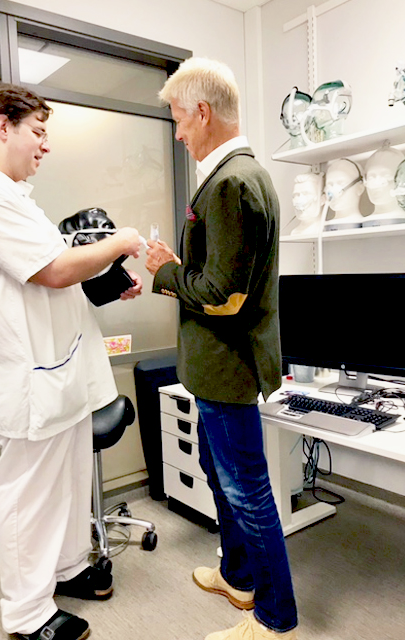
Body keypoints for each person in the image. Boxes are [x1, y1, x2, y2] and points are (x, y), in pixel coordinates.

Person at [0, 82, 142, 640]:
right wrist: (121, 241)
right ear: (1, 127)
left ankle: (67, 568)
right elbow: (52, 270)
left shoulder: (11, 197)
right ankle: (27, 614)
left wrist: (103, 281)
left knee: (68, 481)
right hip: (25, 380)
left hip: (57, 373)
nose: (45, 146)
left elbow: (51, 276)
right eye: (38, 132)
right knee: (28, 495)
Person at [145, 58, 298, 640]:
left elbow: (224, 296)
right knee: (219, 474)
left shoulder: (233, 180)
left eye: (181, 120)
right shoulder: (226, 176)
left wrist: (165, 270)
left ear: (203, 113)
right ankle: (239, 577)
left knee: (248, 492)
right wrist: (181, 270)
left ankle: (276, 617)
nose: (179, 132)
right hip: (212, 368)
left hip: (228, 366)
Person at [324, 157, 364, 231]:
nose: (333, 189)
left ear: (360, 188)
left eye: (341, 183)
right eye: (330, 184)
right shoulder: (323, 225)